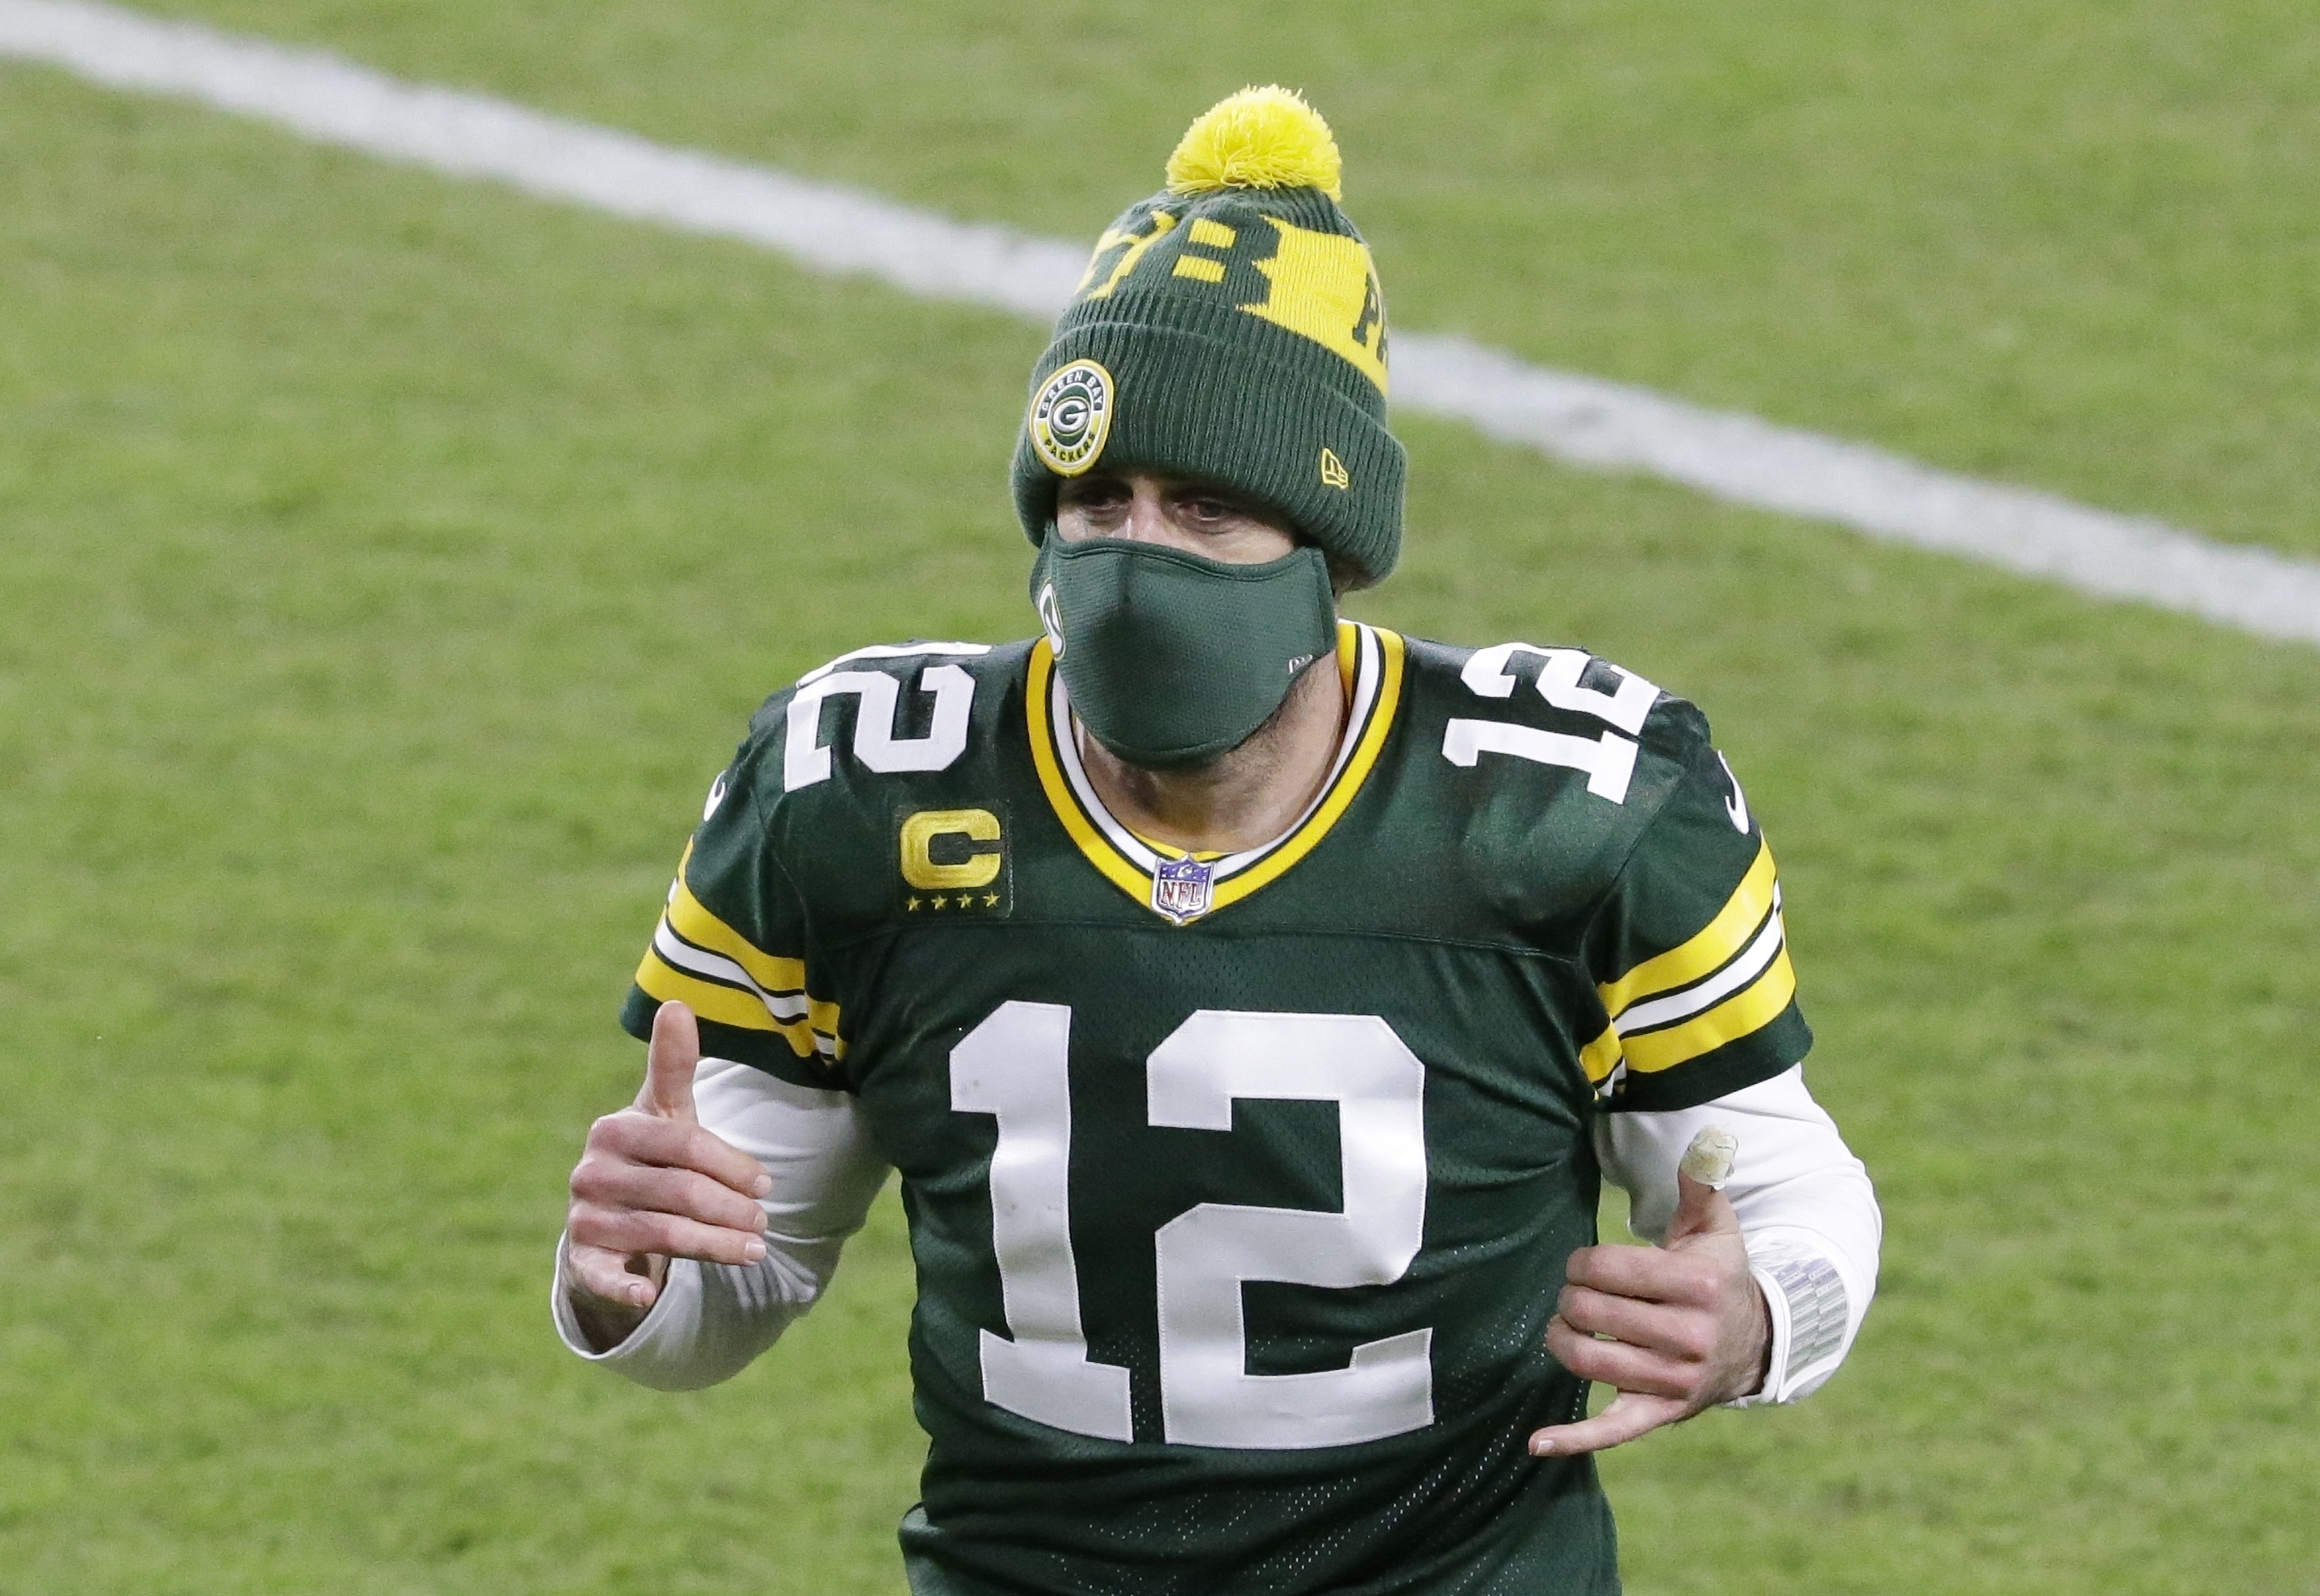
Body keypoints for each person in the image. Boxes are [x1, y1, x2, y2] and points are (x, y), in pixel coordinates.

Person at [555, 86, 1880, 1596]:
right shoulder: (864, 788)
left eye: (1203, 507)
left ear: (1328, 547)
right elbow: (719, 1291)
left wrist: (1768, 1310)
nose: (1135, 558)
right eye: (1095, 501)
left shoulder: (1559, 809)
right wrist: (626, 1284)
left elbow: (1784, 1182)